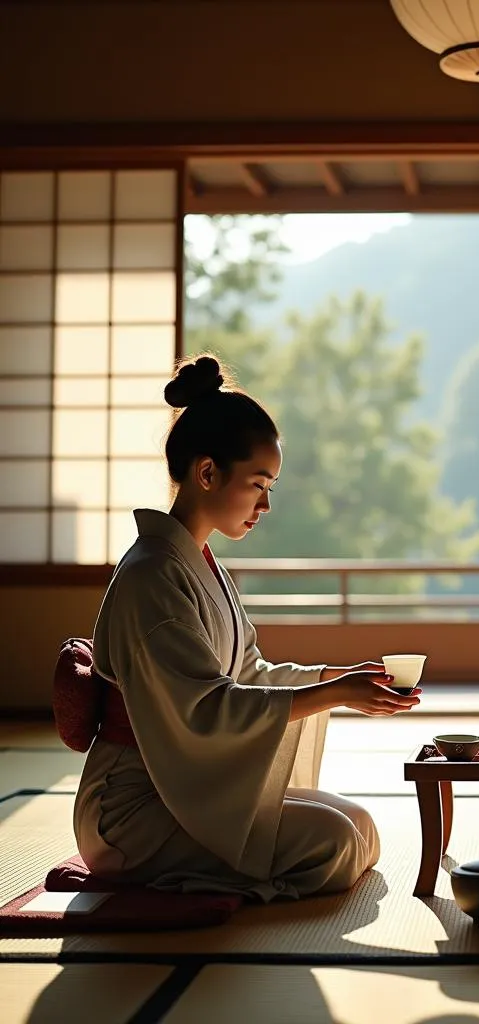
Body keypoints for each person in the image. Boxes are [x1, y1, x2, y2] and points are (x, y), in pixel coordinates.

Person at [73, 356, 421, 900]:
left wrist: (341, 679)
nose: (265, 505)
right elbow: (207, 710)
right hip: (133, 807)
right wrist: (334, 693)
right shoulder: (152, 577)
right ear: (207, 472)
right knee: (335, 844)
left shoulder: (197, 563)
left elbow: (251, 673)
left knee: (359, 827)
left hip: (185, 786)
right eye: (258, 484)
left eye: (271, 488)